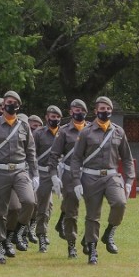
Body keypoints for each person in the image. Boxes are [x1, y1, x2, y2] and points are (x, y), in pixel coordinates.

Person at [70, 96, 135, 265]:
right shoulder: (86, 132)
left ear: (111, 110)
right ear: (95, 111)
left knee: (120, 203)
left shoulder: (118, 131)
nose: (104, 111)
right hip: (90, 176)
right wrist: (76, 181)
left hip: (112, 176)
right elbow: (76, 158)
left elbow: (127, 158)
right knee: (93, 215)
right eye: (101, 108)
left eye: (107, 108)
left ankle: (109, 232)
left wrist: (129, 180)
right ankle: (92, 250)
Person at [0, 91, 38, 264]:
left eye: (14, 102)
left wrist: (35, 175)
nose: (10, 105)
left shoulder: (24, 126)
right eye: (8, 102)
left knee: (29, 202)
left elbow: (31, 152)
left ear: (18, 106)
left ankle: (17, 233)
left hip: (20, 171)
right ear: (3, 104)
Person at [49, 99, 90, 258]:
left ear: (86, 112)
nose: (78, 112)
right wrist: (53, 175)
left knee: (93, 209)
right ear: (70, 112)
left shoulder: (92, 129)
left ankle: (88, 239)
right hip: (69, 174)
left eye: (81, 110)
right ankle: (71, 244)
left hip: (89, 173)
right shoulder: (64, 131)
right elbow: (54, 155)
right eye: (75, 110)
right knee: (72, 209)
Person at [32, 105, 62, 252]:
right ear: (46, 117)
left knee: (66, 203)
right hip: (43, 172)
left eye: (57, 117)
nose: (54, 119)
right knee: (43, 207)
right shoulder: (38, 133)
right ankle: (41, 236)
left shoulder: (64, 133)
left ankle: (60, 223)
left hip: (59, 173)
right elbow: (32, 154)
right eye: (52, 116)